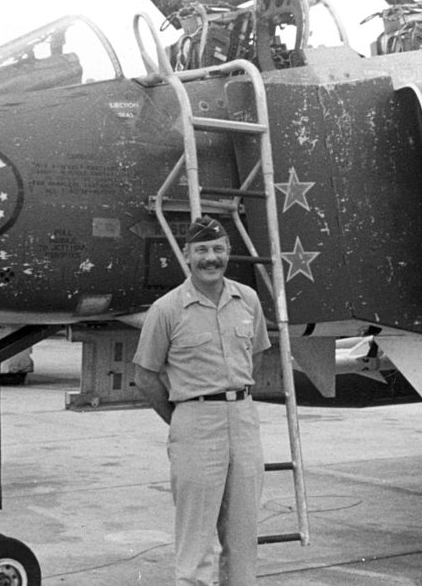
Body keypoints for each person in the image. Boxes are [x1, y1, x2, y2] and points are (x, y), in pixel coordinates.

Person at [133, 215, 271, 586]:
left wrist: (232, 400)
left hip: (243, 420)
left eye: (218, 249)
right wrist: (183, 417)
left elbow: (254, 357)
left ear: (228, 252)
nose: (211, 258)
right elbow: (145, 376)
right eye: (202, 251)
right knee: (195, 541)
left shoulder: (249, 300)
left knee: (243, 535)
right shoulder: (167, 309)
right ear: (187, 256)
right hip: (195, 423)